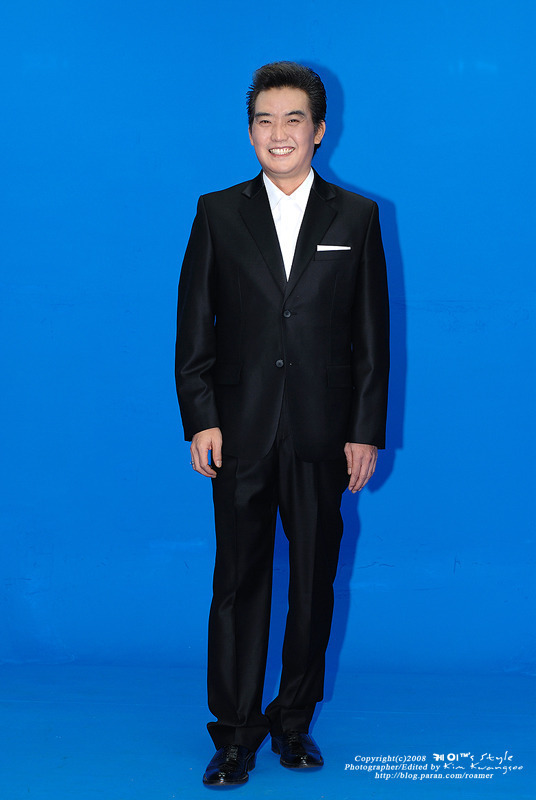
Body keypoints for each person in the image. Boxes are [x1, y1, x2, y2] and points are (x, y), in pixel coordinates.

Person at [175, 61, 389, 787]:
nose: (278, 133)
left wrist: (364, 429)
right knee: (237, 580)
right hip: (237, 431)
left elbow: (371, 337)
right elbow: (193, 328)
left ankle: (293, 721)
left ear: (319, 130)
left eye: (293, 120)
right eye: (264, 120)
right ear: (250, 132)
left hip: (323, 432)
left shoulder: (356, 217)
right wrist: (200, 419)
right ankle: (235, 733)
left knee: (313, 581)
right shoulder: (216, 212)